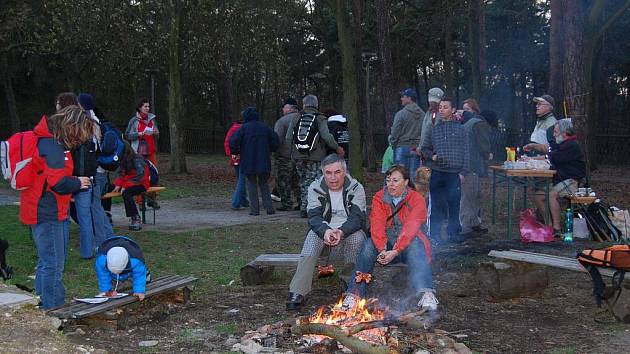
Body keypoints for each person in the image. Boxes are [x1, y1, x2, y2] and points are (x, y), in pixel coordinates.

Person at [19, 106, 93, 309]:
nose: (81, 139)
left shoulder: (50, 143)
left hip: (48, 209)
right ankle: (53, 309)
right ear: (72, 127)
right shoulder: (52, 148)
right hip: (46, 212)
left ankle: (42, 303)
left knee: (47, 261)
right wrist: (78, 183)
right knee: (54, 264)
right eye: (81, 133)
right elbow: (57, 183)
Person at [339, 165, 437, 311]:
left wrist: (396, 251)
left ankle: (427, 292)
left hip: (408, 243)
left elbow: (411, 227)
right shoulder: (379, 197)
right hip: (386, 244)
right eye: (388, 180)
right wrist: (382, 249)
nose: (391, 184)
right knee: (368, 246)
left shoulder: (416, 199)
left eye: (395, 180)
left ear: (405, 182)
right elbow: (376, 224)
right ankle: (355, 293)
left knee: (416, 245)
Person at [286, 154, 367, 310]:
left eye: (337, 172)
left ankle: (348, 284)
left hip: (348, 233)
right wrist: (326, 231)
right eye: (328, 173)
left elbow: (358, 218)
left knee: (357, 238)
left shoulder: (356, 188)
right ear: (323, 173)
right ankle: (298, 290)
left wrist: (341, 232)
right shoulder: (315, 188)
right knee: (311, 238)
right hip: (324, 234)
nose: (333, 178)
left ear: (345, 172)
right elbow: (314, 218)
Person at [420, 97, 469, 245]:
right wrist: (431, 156)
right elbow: (424, 149)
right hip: (437, 172)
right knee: (436, 204)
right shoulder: (434, 129)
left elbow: (466, 152)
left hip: (454, 173)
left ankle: (453, 233)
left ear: (453, 110)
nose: (441, 109)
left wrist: (463, 172)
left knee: (454, 204)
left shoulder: (461, 129)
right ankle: (434, 235)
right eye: (440, 107)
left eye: (445, 107)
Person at [287, 94, 344, 218]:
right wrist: (337, 148)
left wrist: (292, 153)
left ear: (304, 104)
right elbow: (327, 137)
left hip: (298, 156)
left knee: (303, 182)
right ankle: (312, 208)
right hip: (316, 157)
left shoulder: (296, 117)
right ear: (316, 105)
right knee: (315, 182)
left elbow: (288, 138)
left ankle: (304, 207)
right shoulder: (320, 118)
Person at [533, 118, 586, 236]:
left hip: (572, 181)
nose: (553, 134)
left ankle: (556, 228)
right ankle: (549, 225)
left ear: (564, 133)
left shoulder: (572, 145)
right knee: (538, 195)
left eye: (556, 132)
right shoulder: (561, 144)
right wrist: (530, 159)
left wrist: (536, 158)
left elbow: (553, 158)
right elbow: (550, 155)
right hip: (560, 180)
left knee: (552, 195)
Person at [229, 107, 279, 216]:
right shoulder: (265, 127)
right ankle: (269, 208)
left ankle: (254, 210)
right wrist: (270, 149)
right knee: (264, 184)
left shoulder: (243, 129)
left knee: (251, 184)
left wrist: (236, 152)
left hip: (248, 160)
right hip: (264, 160)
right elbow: (276, 141)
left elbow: (232, 141)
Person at [459, 99, 492, 237]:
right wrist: (487, 154)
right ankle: (466, 227)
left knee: (473, 194)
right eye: (464, 109)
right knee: (469, 196)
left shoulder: (467, 123)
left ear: (475, 110)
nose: (464, 112)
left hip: (467, 164)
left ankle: (474, 224)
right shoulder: (478, 123)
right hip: (471, 164)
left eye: (467, 109)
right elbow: (483, 144)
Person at [125, 98, 159, 209]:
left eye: (148, 106)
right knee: (139, 175)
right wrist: (139, 133)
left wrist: (155, 132)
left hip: (151, 151)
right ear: (140, 108)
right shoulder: (133, 121)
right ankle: (140, 201)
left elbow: (157, 133)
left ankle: (152, 199)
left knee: (154, 175)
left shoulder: (152, 119)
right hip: (138, 152)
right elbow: (127, 135)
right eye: (145, 106)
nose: (147, 109)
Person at [95, 236, 149, 301]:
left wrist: (139, 291)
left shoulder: (135, 260)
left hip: (131, 272)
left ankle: (147, 275)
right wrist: (105, 291)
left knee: (144, 279)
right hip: (114, 276)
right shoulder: (101, 261)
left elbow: (139, 275)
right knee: (116, 288)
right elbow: (103, 277)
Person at [112, 142, 150, 231]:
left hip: (141, 184)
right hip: (129, 183)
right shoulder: (122, 159)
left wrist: (125, 185)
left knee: (126, 193)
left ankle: (135, 217)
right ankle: (107, 214)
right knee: (109, 189)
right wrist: (118, 184)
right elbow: (121, 174)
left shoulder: (137, 158)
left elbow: (140, 175)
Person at [389, 88, 424, 181]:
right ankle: (412, 195)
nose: (401, 99)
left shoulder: (401, 114)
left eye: (403, 97)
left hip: (402, 147)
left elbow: (395, 133)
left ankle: (402, 196)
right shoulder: (423, 115)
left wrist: (393, 143)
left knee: (400, 177)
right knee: (413, 178)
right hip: (416, 149)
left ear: (409, 98)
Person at [274, 98, 301, 211]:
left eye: (284, 107)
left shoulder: (282, 121)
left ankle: (287, 203)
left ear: (289, 108)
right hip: (301, 156)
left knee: (283, 181)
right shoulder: (303, 118)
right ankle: (301, 202)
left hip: (285, 156)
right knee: (298, 181)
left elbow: (276, 139)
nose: (282, 109)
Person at [224, 118, 249, 210]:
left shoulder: (233, 128)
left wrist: (232, 155)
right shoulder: (243, 129)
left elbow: (227, 143)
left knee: (240, 179)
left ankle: (243, 200)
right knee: (242, 180)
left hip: (235, 157)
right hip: (242, 157)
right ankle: (236, 202)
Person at [418, 87, 445, 153]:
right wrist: (420, 147)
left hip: (434, 152)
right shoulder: (429, 112)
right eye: (431, 101)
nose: (433, 103)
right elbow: (425, 131)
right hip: (426, 151)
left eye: (435, 102)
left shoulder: (442, 115)